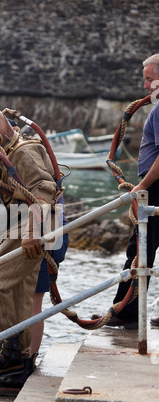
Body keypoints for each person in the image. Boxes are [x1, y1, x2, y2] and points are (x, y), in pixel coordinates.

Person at [0, 104, 67, 395]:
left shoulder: (23, 152)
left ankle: (12, 351)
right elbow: (13, 202)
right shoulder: (2, 156)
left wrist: (33, 232)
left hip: (41, 230)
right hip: (26, 229)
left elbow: (43, 192)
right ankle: (18, 363)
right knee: (17, 292)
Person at [93, 53, 159, 328]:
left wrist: (141, 187)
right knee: (141, 249)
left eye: (150, 79)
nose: (145, 86)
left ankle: (126, 313)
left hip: (154, 189)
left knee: (140, 249)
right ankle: (126, 311)